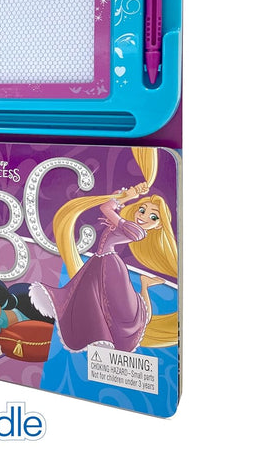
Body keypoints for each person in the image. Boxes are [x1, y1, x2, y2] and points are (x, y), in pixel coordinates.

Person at [29, 148, 178, 352]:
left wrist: (127, 196)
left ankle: (144, 287)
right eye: (142, 210)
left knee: (126, 313)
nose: (144, 217)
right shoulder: (128, 224)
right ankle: (93, 329)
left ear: (159, 225)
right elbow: (109, 207)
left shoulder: (136, 231)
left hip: (111, 265)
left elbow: (106, 208)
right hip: (100, 260)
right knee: (89, 298)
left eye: (153, 217)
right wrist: (126, 196)